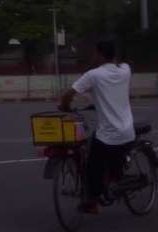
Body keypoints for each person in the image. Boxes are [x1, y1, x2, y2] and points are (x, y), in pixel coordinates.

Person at [59, 39, 135, 214]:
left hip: (108, 136)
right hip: (128, 132)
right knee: (113, 159)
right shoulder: (125, 70)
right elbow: (123, 64)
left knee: (93, 165)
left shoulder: (94, 75)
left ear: (99, 54)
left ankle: (92, 203)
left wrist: (64, 106)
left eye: (95, 53)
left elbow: (70, 93)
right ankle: (115, 177)